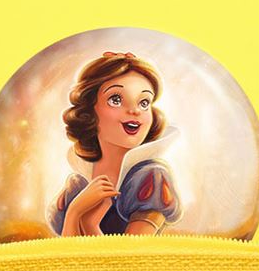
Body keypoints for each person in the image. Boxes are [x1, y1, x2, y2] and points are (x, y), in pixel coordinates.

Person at [47, 51, 182, 236]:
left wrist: (88, 223)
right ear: (89, 111)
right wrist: (74, 213)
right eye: (116, 100)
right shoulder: (78, 184)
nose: (134, 111)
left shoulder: (150, 178)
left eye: (144, 103)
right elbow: (67, 253)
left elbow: (131, 253)